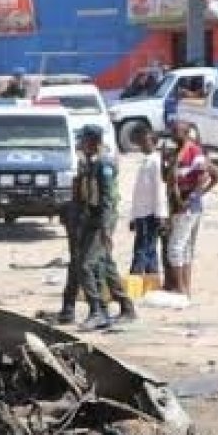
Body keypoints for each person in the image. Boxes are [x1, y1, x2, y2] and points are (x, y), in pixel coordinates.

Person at [59, 125, 133, 329]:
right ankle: (126, 307)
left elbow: (108, 200)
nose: (80, 145)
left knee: (85, 265)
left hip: (100, 222)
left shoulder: (104, 164)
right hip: (91, 220)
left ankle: (97, 311)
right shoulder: (91, 162)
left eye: (83, 140)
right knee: (105, 264)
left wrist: (106, 229)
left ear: (92, 141)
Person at [163, 118, 218, 298]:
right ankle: (186, 289)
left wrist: (195, 196)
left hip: (187, 206)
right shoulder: (177, 152)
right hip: (178, 204)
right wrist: (164, 161)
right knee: (185, 248)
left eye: (177, 132)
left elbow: (207, 176)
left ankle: (180, 288)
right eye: (172, 131)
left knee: (175, 248)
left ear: (186, 133)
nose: (173, 135)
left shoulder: (193, 151)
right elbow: (167, 179)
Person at [126, 124, 168, 287]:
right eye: (140, 142)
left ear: (153, 142)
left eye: (145, 142)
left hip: (150, 214)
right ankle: (152, 283)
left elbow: (159, 191)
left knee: (142, 250)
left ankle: (134, 283)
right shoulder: (146, 162)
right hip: (142, 213)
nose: (142, 145)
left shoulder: (156, 163)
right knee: (149, 250)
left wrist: (161, 215)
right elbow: (139, 194)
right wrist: (133, 217)